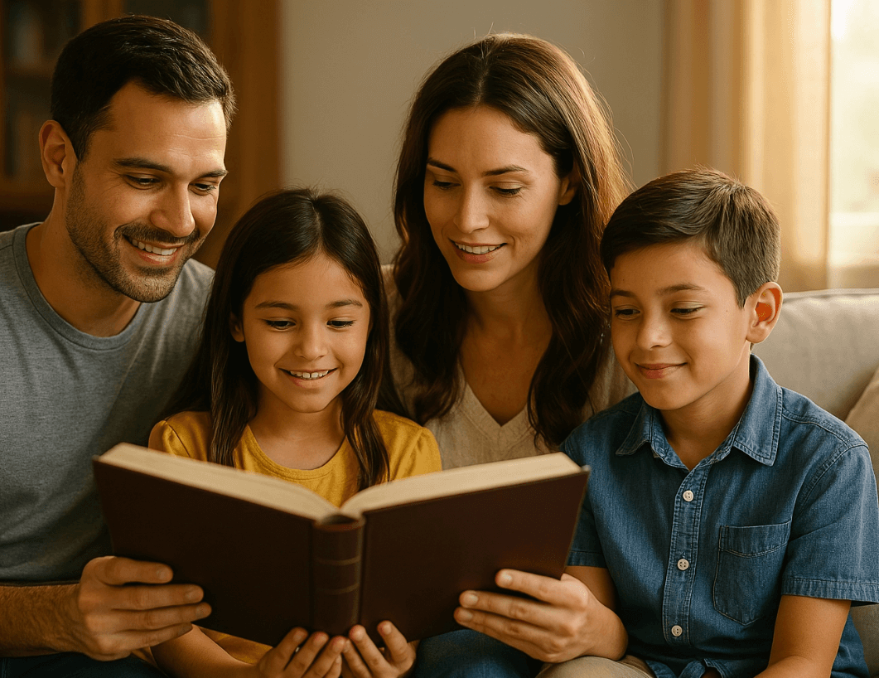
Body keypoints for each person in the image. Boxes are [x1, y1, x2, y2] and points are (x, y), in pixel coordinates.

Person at [0, 16, 234, 676]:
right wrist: (60, 615)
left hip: (98, 651)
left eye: (204, 185)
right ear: (59, 157)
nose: (180, 220)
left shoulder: (217, 319)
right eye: (144, 179)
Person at [452, 168, 879, 677]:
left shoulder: (828, 461)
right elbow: (592, 639)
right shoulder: (588, 454)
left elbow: (802, 663)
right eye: (627, 311)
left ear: (760, 313)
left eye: (683, 309)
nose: (648, 337)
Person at [388, 33, 633, 673]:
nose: (467, 219)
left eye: (504, 188)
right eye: (443, 182)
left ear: (570, 182)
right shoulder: (370, 315)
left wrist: (603, 633)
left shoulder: (633, 334)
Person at [145, 188, 442, 678]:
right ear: (237, 322)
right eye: (281, 322)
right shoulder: (183, 445)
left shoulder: (407, 451)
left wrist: (396, 661)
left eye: (340, 322)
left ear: (371, 324)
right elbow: (164, 625)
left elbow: (407, 615)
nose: (311, 348)